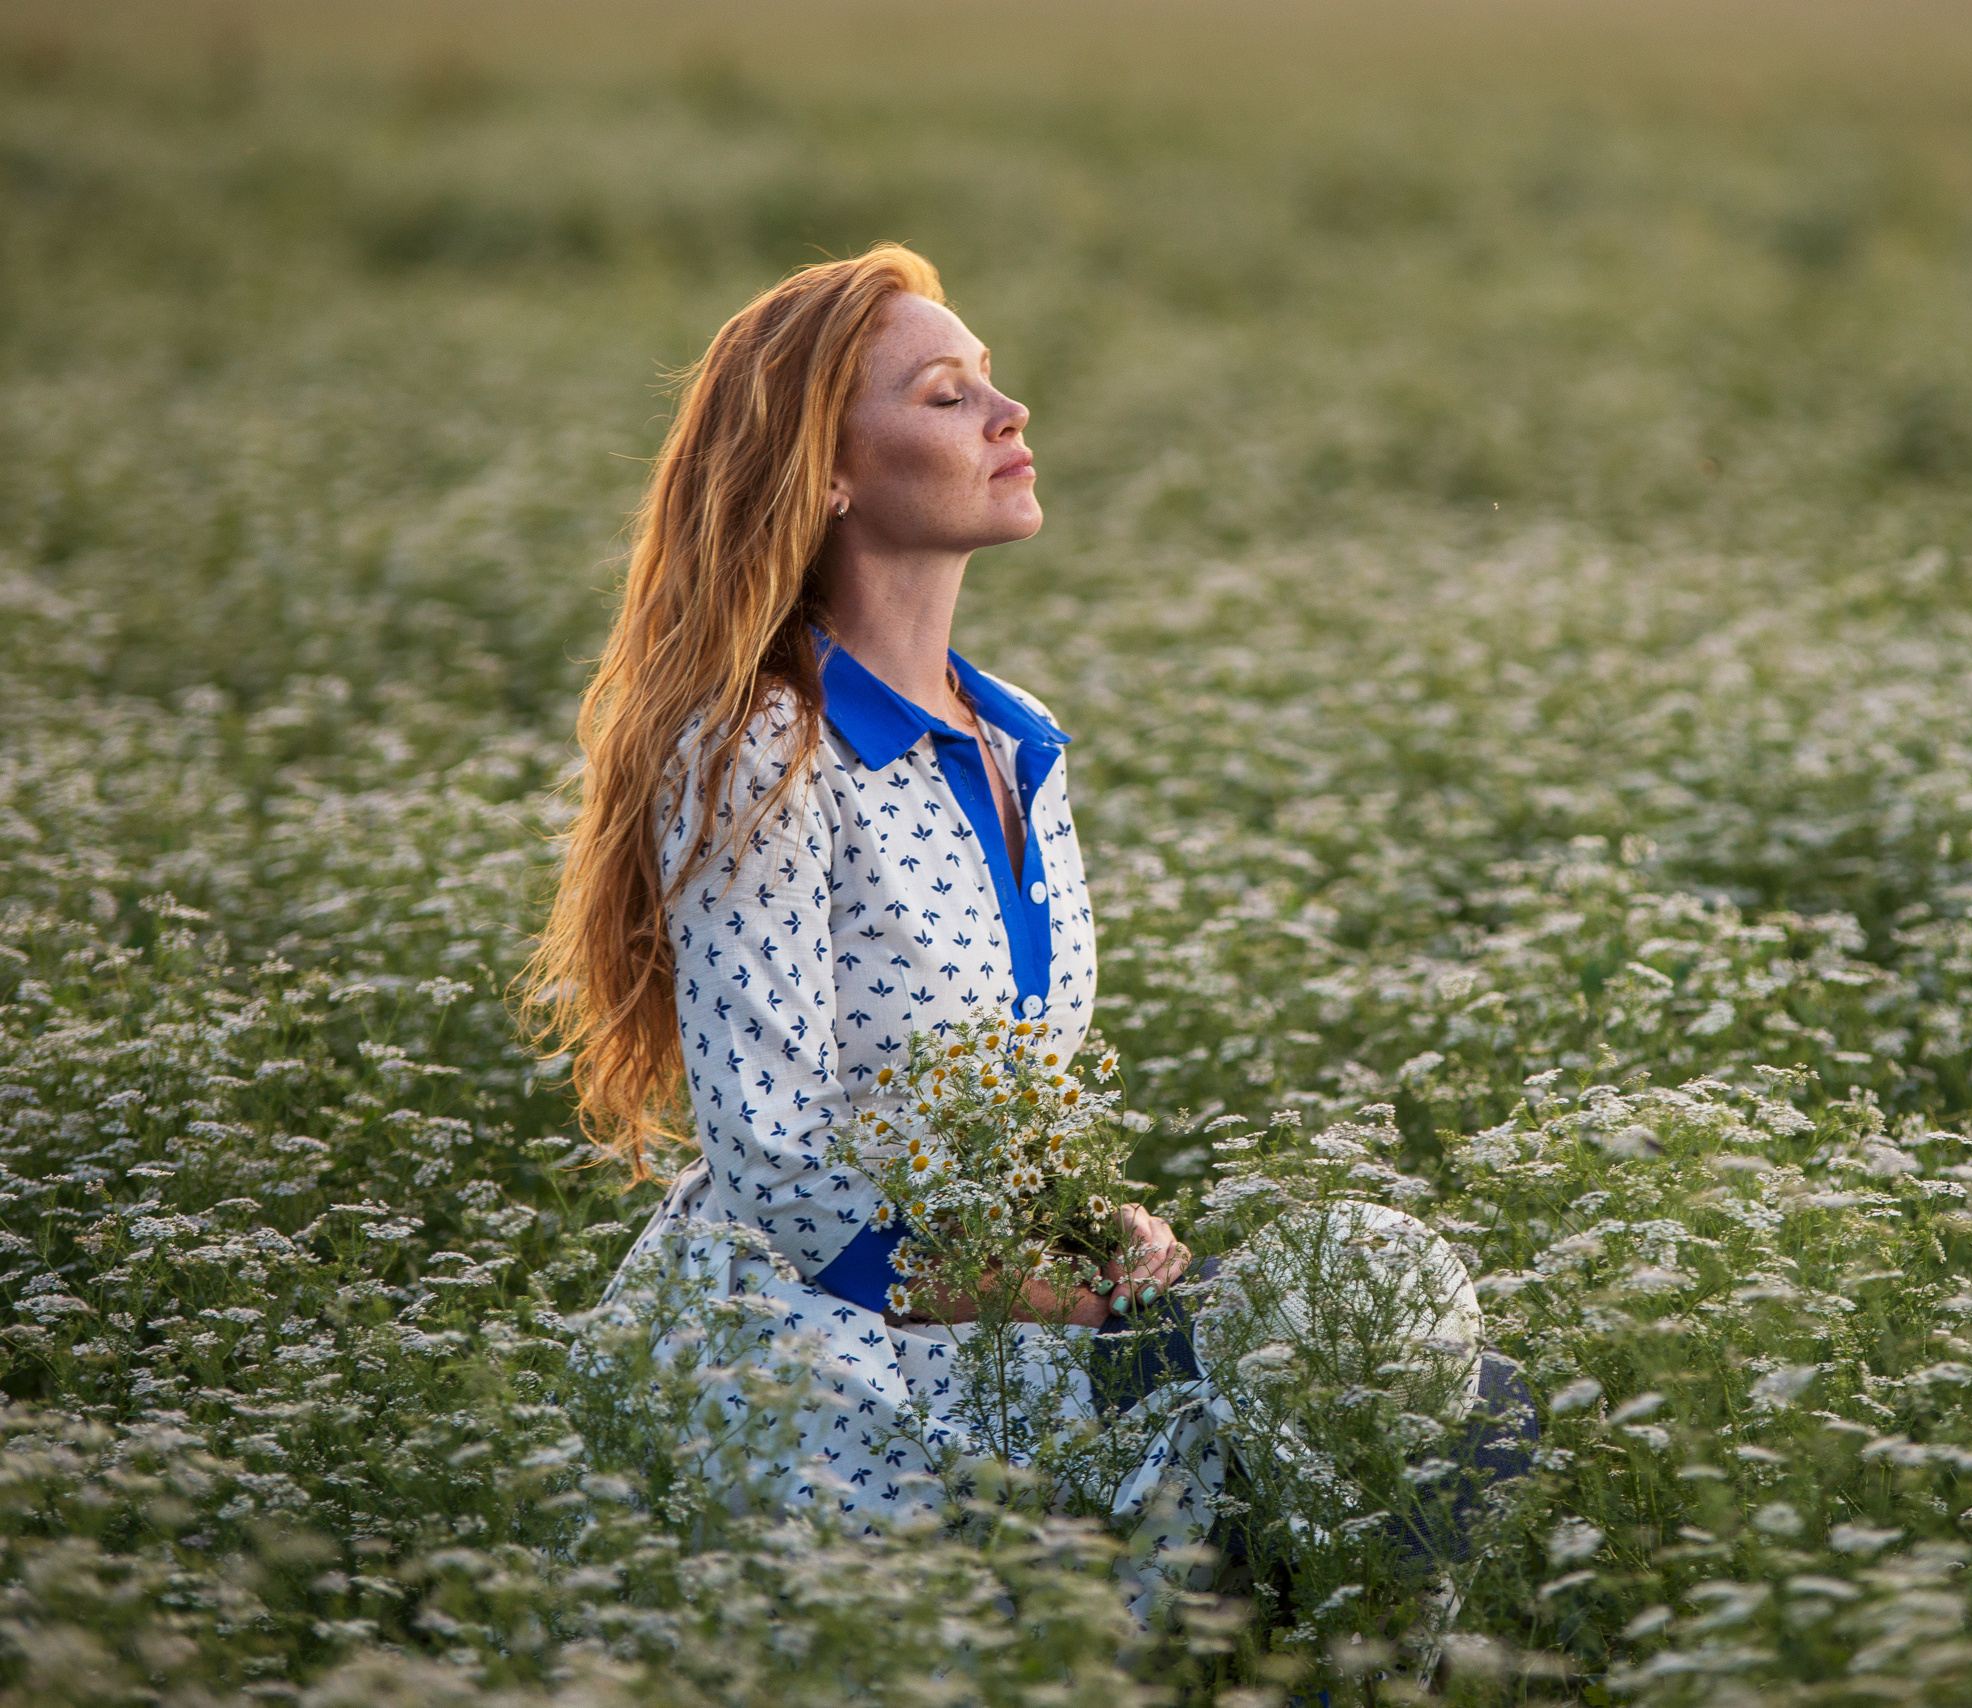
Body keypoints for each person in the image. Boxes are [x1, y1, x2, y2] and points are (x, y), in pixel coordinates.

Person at [529, 246, 1520, 1597]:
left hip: (1008, 1302)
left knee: (1445, 1380)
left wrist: (1088, 1223)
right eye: (948, 395)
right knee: (1277, 1449)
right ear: (831, 470)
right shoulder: (762, 744)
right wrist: (1039, 1292)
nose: (1010, 417)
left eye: (992, 382)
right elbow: (774, 1165)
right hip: (832, 1331)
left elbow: (1007, 1106)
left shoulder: (1019, 737)